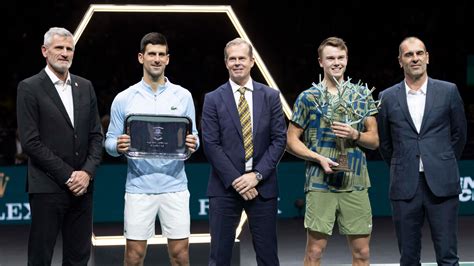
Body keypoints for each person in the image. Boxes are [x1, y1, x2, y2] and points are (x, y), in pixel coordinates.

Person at [105, 32, 199, 266]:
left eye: (161, 54)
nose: (156, 59)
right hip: (139, 187)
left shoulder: (183, 96)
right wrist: (117, 145)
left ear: (168, 59)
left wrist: (194, 144)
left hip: (175, 186)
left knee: (181, 256)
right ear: (141, 57)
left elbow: (194, 136)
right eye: (151, 54)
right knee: (134, 257)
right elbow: (108, 142)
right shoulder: (124, 98)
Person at [286, 37, 379, 266]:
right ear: (320, 62)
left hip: (355, 181)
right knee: (314, 253)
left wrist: (354, 135)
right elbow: (291, 141)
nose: (336, 62)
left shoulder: (361, 95)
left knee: (362, 253)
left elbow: (374, 140)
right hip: (320, 181)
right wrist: (318, 158)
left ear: (346, 59)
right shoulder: (308, 98)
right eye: (330, 58)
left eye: (340, 57)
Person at [16, 27, 103, 265]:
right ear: (45, 51)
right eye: (59, 48)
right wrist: (69, 176)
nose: (65, 53)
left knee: (79, 258)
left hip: (83, 189)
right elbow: (30, 142)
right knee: (40, 258)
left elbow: (97, 136)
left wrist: (86, 173)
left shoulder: (85, 86)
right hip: (47, 187)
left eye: (69, 49)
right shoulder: (29, 87)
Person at [377, 36, 467, 265]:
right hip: (405, 186)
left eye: (419, 53)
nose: (414, 58)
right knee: (408, 257)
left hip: (442, 184)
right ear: (400, 61)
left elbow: (459, 135)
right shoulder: (386, 98)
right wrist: (404, 163)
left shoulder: (448, 91)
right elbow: (385, 143)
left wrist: (440, 160)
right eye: (408, 54)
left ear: (427, 57)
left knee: (448, 256)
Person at [201, 37, 287, 265]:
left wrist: (256, 176)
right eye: (232, 59)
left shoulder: (270, 96)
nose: (237, 62)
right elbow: (211, 144)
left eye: (242, 58)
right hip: (225, 188)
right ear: (226, 63)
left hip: (263, 187)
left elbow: (279, 140)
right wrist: (238, 180)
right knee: (219, 256)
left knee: (268, 256)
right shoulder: (212, 99)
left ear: (252, 61)